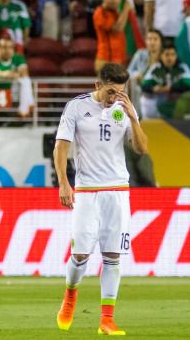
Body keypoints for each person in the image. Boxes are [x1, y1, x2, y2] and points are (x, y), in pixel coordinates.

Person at [54, 63, 148, 336]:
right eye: (110, 92)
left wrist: (133, 117)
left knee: (112, 256)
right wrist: (64, 183)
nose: (114, 98)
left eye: (120, 92)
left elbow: (141, 149)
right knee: (80, 253)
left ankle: (107, 320)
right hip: (86, 191)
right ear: (98, 86)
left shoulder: (125, 108)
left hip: (117, 191)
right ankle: (70, 297)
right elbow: (61, 147)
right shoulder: (76, 107)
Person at [0, 33, 35, 117]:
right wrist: (5, 74)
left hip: (13, 94)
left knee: (25, 80)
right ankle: (28, 105)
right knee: (25, 81)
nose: (8, 50)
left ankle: (24, 108)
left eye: (10, 47)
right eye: (5, 47)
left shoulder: (18, 58)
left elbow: (24, 73)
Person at [141, 40, 190, 119]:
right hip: (157, 108)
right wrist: (154, 88)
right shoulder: (155, 68)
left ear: (176, 56)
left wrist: (170, 89)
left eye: (172, 55)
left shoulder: (182, 68)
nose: (170, 58)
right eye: (167, 55)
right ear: (161, 56)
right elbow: (144, 85)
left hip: (178, 106)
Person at [93, 0, 132, 71]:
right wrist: (126, 8)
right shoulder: (100, 12)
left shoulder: (115, 13)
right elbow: (117, 29)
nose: (115, 0)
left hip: (118, 59)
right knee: (108, 84)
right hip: (105, 59)